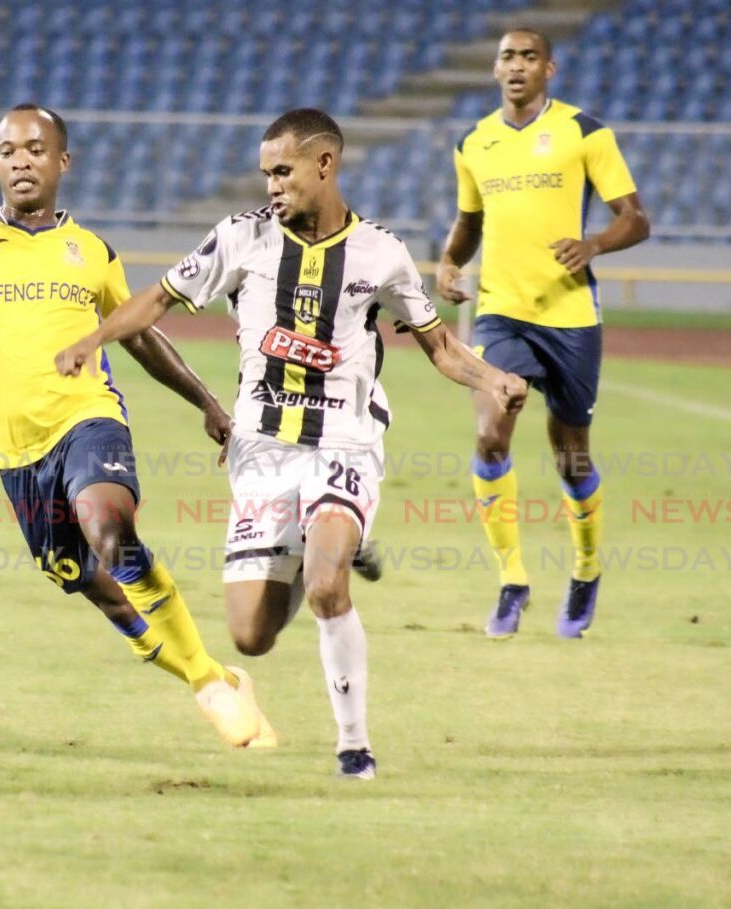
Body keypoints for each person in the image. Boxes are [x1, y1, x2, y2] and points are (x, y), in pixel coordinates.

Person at [55, 108, 527, 778]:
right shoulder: (241, 238)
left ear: (325, 165)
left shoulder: (381, 253)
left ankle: (354, 745)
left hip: (346, 443)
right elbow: (157, 300)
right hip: (262, 453)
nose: (272, 185)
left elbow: (440, 345)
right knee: (252, 635)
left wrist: (495, 377)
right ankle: (327, 539)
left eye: (283, 171)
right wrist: (92, 339)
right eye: (266, 173)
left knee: (329, 584)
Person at [0, 103, 274, 748]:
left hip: (87, 421)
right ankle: (208, 672)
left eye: (36, 150)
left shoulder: (92, 252)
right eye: (8, 150)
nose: (21, 161)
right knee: (102, 592)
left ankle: (210, 691)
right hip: (16, 458)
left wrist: (208, 403)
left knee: (109, 528)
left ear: (62, 161)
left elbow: (140, 337)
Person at [435, 29, 650, 640]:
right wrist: (450, 262)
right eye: (507, 56)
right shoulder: (473, 142)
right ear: (494, 68)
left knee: (571, 455)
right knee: (489, 434)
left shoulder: (585, 133)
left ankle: (585, 569)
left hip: (570, 316)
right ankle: (512, 579)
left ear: (549, 68)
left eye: (529, 56)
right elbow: (469, 220)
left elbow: (635, 218)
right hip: (501, 313)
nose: (517, 66)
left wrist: (594, 244)